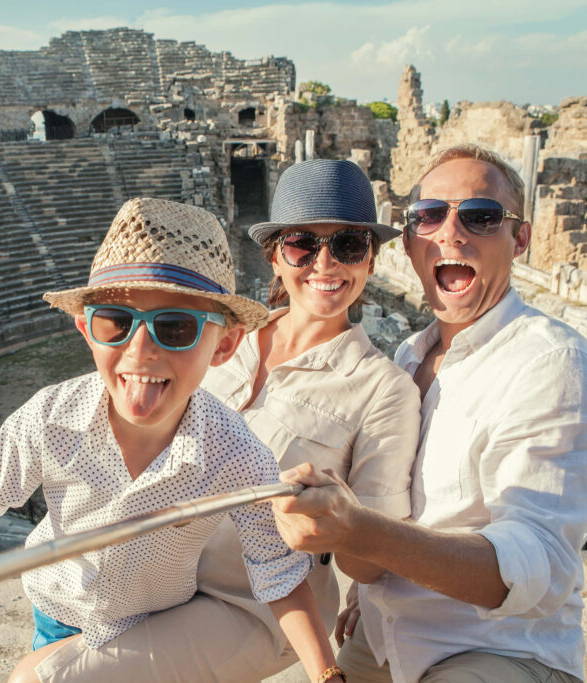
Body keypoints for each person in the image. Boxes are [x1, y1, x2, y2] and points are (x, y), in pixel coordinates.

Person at [0, 197, 340, 683]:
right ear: (86, 329)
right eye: (116, 322)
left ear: (225, 345)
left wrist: (327, 673)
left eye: (175, 327)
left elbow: (277, 572)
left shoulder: (235, 453)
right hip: (57, 612)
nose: (140, 350)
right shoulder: (50, 416)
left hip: (152, 626)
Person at [36, 160, 421, 682]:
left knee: (49, 677)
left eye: (349, 245)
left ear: (371, 260)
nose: (325, 263)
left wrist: (339, 521)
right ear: (276, 257)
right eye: (302, 245)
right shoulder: (212, 335)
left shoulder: (384, 389)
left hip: (251, 604)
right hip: (150, 579)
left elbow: (372, 563)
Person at [273, 144, 587, 683]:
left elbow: (537, 566)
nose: (451, 233)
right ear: (410, 239)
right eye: (430, 215)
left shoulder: (555, 364)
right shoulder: (409, 357)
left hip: (494, 648)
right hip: (385, 637)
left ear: (520, 239)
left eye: (481, 216)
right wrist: (368, 587)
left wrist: (360, 533)